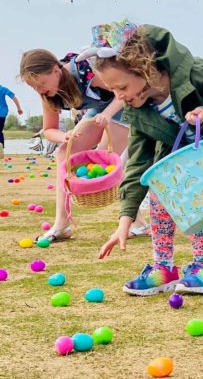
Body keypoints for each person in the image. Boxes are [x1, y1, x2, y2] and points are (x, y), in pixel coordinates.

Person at [85, 21, 203, 296]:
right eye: (113, 92)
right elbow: (137, 164)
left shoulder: (193, 72)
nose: (119, 97)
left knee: (184, 182)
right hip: (185, 155)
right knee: (160, 187)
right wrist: (125, 220)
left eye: (122, 87)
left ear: (143, 68)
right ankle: (163, 267)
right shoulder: (139, 109)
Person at [20, 46, 149, 242]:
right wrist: (64, 136)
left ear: (56, 70)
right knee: (63, 155)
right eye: (34, 87)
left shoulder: (83, 70)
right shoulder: (47, 93)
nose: (40, 90)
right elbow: (48, 130)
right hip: (100, 108)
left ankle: (136, 222)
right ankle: (62, 225)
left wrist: (107, 114)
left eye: (42, 84)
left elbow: (123, 90)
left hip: (124, 101)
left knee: (106, 159)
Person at [0, 83, 24, 158]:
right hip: (2, 112)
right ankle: (1, 146)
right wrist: (19, 108)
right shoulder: (3, 89)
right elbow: (14, 97)